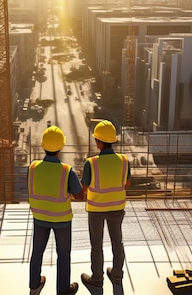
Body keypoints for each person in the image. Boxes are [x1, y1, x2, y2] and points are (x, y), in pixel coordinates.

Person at [28, 125, 83, 295]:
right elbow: (80, 196)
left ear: (43, 145)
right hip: (61, 220)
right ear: (61, 146)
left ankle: (34, 286)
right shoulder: (67, 171)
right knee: (63, 255)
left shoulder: (33, 167)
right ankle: (63, 290)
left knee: (37, 252)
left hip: (40, 217)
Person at [80, 120, 131, 290]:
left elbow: (84, 188)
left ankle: (97, 279)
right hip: (117, 208)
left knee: (97, 245)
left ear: (99, 142)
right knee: (118, 242)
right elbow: (127, 184)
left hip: (96, 210)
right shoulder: (124, 161)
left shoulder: (91, 163)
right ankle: (117, 276)